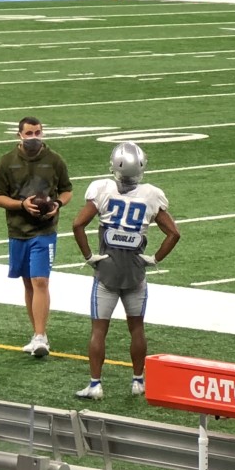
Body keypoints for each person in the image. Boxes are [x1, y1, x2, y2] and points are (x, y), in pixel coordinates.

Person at [70, 142, 180, 400]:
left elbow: (77, 224)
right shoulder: (151, 194)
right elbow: (174, 233)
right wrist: (153, 259)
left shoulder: (103, 189)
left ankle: (96, 384)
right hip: (135, 273)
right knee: (137, 328)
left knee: (98, 330)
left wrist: (89, 256)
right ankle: (138, 381)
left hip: (106, 272)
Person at [0, 116, 73, 358]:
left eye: (37, 132)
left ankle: (40, 336)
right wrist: (22, 204)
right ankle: (37, 333)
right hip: (18, 230)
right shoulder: (7, 162)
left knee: (40, 281)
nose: (34, 137)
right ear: (19, 135)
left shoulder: (54, 160)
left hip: (44, 231)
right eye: (29, 133)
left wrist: (58, 203)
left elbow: (67, 190)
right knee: (28, 282)